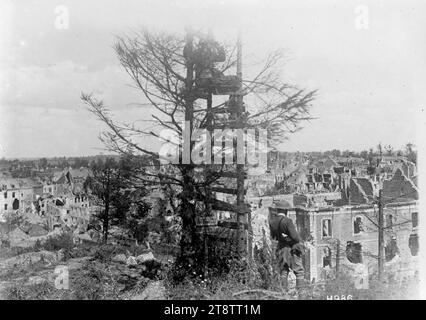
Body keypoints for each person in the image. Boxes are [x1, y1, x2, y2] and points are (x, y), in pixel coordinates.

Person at [268, 201, 305, 290]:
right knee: (299, 272)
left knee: (283, 272)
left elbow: (273, 237)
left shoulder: (272, 221)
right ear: (286, 211)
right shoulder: (287, 221)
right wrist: (288, 237)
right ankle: (302, 296)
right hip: (292, 250)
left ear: (277, 210)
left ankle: (283, 295)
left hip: (280, 249)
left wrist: (283, 237)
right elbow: (295, 238)